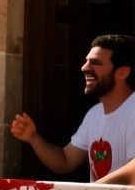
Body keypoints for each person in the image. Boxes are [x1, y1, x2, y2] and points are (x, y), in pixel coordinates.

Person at [13, 35, 135, 181]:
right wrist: (33, 138)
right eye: (86, 61)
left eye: (95, 63)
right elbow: (65, 161)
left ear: (122, 72)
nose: (84, 68)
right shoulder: (93, 114)